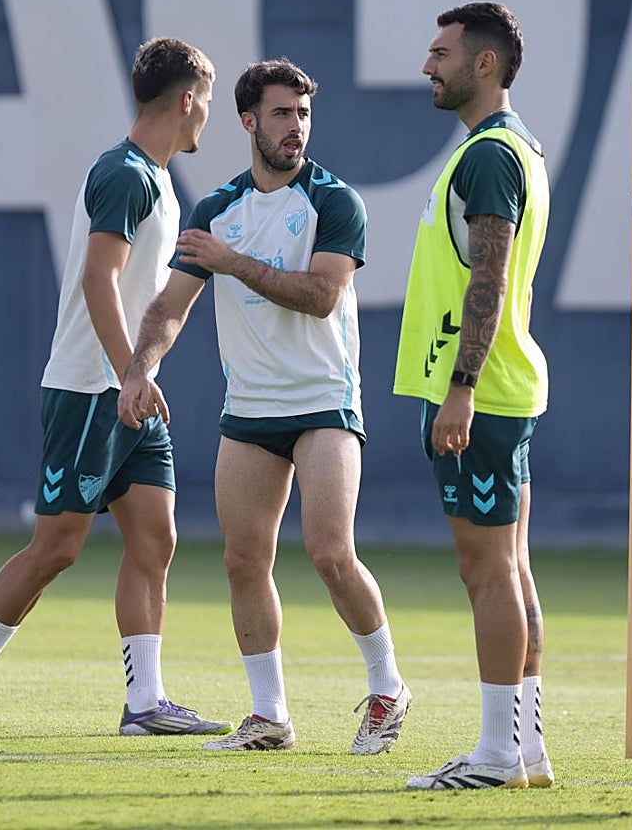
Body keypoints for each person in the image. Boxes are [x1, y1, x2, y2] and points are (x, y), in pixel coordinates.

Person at [0, 38, 231, 738]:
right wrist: (131, 371)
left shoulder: (156, 178)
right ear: (187, 98)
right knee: (57, 549)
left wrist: (138, 376)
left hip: (130, 390)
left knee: (155, 539)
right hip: (88, 388)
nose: (208, 117)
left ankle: (143, 704)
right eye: (209, 101)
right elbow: (100, 278)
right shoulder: (124, 174)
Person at [118, 58, 410, 754]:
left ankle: (388, 687)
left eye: (304, 114)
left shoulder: (335, 202)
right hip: (249, 412)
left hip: (323, 405)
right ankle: (270, 714)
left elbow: (322, 296)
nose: (296, 128)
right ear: (248, 122)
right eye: (282, 114)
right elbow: (170, 307)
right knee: (243, 560)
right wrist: (138, 368)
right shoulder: (217, 210)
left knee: (330, 552)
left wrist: (233, 263)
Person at [394, 3, 552, 790]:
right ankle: (526, 748)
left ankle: (495, 756)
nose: (429, 66)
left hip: (478, 395)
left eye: (441, 52)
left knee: (486, 569)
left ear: (483, 64)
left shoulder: (491, 157)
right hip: (494, 390)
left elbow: (488, 278)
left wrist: (458, 388)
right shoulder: (504, 150)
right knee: (511, 567)